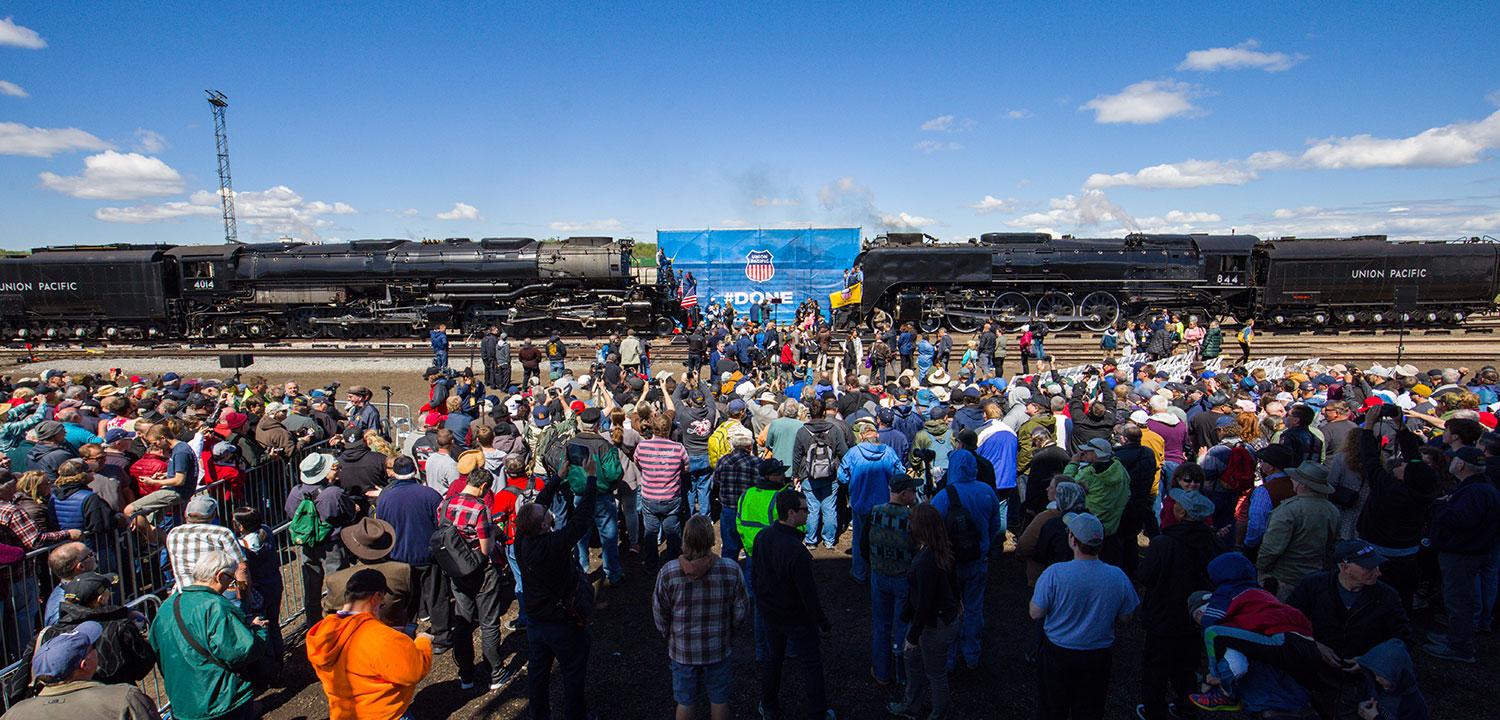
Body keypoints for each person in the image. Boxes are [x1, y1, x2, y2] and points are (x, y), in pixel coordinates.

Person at [1029, 512, 1139, 720]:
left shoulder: (1055, 573)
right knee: (1090, 710)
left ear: (1072, 540)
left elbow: (1036, 613)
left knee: (1052, 709)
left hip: (1058, 653)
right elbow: (1126, 617)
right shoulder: (1117, 576)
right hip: (1097, 655)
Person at [515, 456, 600, 720]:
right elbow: (583, 517)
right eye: (546, 516)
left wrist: (557, 477)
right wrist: (591, 479)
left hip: (537, 620)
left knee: (538, 675)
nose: (549, 511)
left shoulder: (521, 540)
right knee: (573, 673)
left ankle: (539, 715)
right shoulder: (555, 544)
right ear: (544, 525)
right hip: (562, 621)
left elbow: (538, 505)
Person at [149, 550, 272, 720]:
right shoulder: (215, 606)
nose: (231, 584)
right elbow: (240, 651)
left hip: (183, 704)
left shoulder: (166, 607)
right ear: (219, 576)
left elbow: (157, 650)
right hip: (220, 701)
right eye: (231, 580)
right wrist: (259, 632)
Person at [652, 514, 749, 720]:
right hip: (718, 647)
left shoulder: (668, 572)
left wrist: (669, 635)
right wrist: (730, 630)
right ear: (712, 540)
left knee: (685, 701)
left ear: (685, 540)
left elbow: (660, 613)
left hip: (683, 650)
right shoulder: (730, 569)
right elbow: (741, 610)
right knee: (719, 700)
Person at [1136, 488, 1223, 720]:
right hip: (1195, 615)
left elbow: (1145, 576)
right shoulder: (1212, 542)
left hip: (1163, 613)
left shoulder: (1164, 542)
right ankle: (1186, 706)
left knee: (1156, 667)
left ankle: (1154, 710)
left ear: (1182, 512)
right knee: (1187, 666)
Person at [307, 568, 434, 720]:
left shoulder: (322, 631)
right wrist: (423, 641)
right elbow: (414, 671)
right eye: (382, 603)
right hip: (384, 714)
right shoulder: (381, 638)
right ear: (376, 597)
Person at [754, 489, 835, 720]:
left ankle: (768, 705)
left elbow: (756, 575)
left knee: (773, 660)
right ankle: (818, 712)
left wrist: (762, 603)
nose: (808, 513)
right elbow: (808, 593)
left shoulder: (762, 538)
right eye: (804, 510)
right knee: (810, 663)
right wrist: (821, 621)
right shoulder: (795, 550)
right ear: (791, 513)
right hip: (796, 617)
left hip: (770, 613)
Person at [1423, 445, 1500, 663]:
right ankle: (1455, 638)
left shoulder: (1474, 491)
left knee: (1459, 599)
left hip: (1463, 552)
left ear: (1461, 464)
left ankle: (1459, 646)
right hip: (1471, 550)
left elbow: (1460, 521)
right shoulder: (1481, 487)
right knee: (1460, 598)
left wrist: (1441, 508)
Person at [439, 466, 511, 691]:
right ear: (483, 487)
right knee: (488, 622)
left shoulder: (445, 504)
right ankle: (495, 672)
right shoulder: (480, 509)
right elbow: (486, 548)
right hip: (481, 571)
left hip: (456, 570)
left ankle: (466, 674)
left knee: (463, 621)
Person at [889, 503, 962, 720]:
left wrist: (912, 637)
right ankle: (913, 704)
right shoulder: (941, 548)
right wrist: (958, 602)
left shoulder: (925, 561)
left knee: (935, 673)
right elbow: (952, 580)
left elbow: (924, 603)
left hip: (934, 623)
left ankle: (936, 713)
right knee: (918, 663)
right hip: (942, 619)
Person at [929, 449, 1000, 671]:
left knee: (949, 609)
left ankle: (949, 659)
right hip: (978, 558)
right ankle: (972, 655)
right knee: (974, 607)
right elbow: (995, 525)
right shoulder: (987, 491)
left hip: (950, 562)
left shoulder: (944, 496)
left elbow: (933, 529)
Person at [5, 621, 162, 720]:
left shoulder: (13, 714)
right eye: (92, 647)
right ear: (85, 664)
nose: (96, 649)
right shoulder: (125, 699)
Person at [374, 455, 450, 655]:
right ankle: (441, 637)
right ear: (415, 471)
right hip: (427, 555)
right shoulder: (430, 495)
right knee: (436, 596)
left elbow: (381, 526)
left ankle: (406, 633)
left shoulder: (385, 498)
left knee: (406, 599)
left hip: (398, 557)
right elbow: (442, 524)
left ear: (394, 473)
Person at [44, 570, 157, 685]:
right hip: (117, 695)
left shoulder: (49, 634)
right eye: (108, 589)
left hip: (70, 698)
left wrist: (123, 612)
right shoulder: (120, 627)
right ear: (101, 599)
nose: (110, 593)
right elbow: (142, 666)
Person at [286, 453, 354, 628]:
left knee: (311, 585)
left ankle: (313, 624)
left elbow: (290, 513)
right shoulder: (333, 493)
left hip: (307, 544)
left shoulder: (296, 492)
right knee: (337, 584)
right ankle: (337, 623)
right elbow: (349, 514)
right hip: (331, 544)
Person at [1257, 461, 1341, 600]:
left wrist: (1261, 568)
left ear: (1302, 484)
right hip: (1317, 576)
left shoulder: (1288, 510)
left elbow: (1272, 548)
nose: (1291, 480)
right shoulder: (1332, 510)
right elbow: (1333, 545)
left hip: (1286, 578)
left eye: (1295, 479)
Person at [867, 473, 918, 687]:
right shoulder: (911, 517)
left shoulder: (876, 512)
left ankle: (881, 671)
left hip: (879, 574)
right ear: (904, 494)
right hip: (903, 578)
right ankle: (902, 675)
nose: (915, 494)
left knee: (881, 625)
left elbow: (863, 543)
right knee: (903, 627)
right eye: (913, 491)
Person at [840, 419, 905, 583]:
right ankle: (881, 573)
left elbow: (842, 476)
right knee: (884, 539)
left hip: (860, 502)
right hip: (884, 504)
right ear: (876, 435)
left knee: (859, 539)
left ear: (862, 436)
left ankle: (859, 572)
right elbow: (900, 473)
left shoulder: (854, 452)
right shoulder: (888, 452)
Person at [323, 517, 415, 627]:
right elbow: (409, 604)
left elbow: (329, 615)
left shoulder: (335, 580)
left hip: (353, 636)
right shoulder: (402, 571)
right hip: (392, 631)